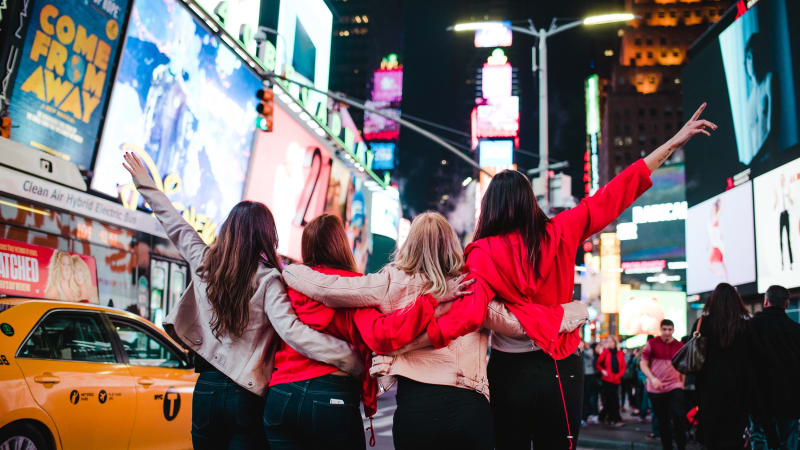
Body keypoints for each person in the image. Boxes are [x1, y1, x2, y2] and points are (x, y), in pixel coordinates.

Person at [398, 103, 716, 449]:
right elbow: (617, 192)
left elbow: (469, 313)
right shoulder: (562, 230)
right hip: (561, 367)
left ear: (490, 208)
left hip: (508, 371)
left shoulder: (480, 252)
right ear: (529, 202)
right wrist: (673, 143)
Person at [123, 152, 364, 450]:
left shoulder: (204, 262)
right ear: (266, 236)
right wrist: (349, 358)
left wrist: (146, 185)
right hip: (245, 395)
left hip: (206, 388)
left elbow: (174, 224)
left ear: (228, 230)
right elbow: (294, 334)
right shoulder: (269, 280)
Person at [282, 212, 529, 450]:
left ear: (409, 244)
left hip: (417, 410)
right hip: (469, 408)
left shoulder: (390, 282)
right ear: (452, 245)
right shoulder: (471, 285)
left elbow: (331, 288)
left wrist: (292, 271)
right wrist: (566, 315)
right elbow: (517, 324)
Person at [264, 214, 459, 449]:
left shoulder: (289, 286)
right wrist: (430, 302)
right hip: (331, 394)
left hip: (281, 394)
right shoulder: (356, 290)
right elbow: (383, 335)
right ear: (342, 245)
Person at [695, 283, 755, 449]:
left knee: (712, 438)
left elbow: (695, 360)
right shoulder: (746, 326)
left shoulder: (702, 325)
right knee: (734, 439)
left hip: (709, 390)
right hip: (738, 391)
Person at [749, 285, 800, 450]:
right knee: (789, 437)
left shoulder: (750, 327)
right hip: (790, 396)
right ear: (787, 304)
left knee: (759, 436)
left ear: (765, 302)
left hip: (759, 396)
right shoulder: (796, 330)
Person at [640, 319, 687, 450]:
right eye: (664, 329)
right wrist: (652, 379)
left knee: (678, 416)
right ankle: (667, 447)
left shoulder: (679, 345)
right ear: (660, 330)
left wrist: (681, 384)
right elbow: (643, 364)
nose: (667, 332)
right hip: (656, 388)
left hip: (674, 386)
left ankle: (681, 445)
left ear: (673, 330)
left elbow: (683, 367)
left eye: (670, 330)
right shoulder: (652, 343)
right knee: (663, 420)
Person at [597, 337, 626, 427]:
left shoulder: (620, 353)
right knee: (611, 400)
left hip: (616, 380)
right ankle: (614, 419)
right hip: (606, 380)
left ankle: (604, 417)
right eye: (608, 341)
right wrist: (603, 371)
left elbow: (623, 368)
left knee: (613, 400)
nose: (609, 343)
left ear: (615, 343)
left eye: (610, 341)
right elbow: (598, 364)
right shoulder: (605, 352)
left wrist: (618, 376)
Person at [582, 341, 600, 424]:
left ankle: (591, 415)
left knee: (591, 397)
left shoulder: (592, 353)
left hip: (591, 377)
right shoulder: (588, 352)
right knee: (588, 397)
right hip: (587, 376)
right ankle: (587, 416)